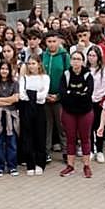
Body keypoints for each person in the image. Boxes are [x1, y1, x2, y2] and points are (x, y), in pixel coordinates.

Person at [59, 50, 95, 177]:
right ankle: (70, 166)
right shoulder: (66, 74)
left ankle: (86, 166)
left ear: (83, 61)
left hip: (85, 111)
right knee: (70, 139)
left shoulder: (87, 75)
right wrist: (78, 94)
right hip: (69, 112)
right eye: (74, 58)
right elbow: (62, 94)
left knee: (85, 139)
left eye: (79, 59)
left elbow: (88, 94)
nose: (76, 61)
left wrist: (71, 93)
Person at [0, 61, 21, 177]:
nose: (4, 71)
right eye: (2, 68)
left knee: (11, 141)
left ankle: (12, 166)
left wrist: (0, 100)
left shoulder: (15, 83)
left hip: (11, 115)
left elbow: (16, 99)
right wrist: (8, 99)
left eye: (6, 69)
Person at [41, 32, 70, 161]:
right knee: (46, 126)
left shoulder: (64, 56)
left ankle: (66, 151)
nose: (52, 44)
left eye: (54, 41)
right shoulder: (43, 56)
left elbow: (67, 78)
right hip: (45, 97)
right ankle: (46, 152)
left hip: (59, 98)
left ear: (58, 42)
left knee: (62, 125)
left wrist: (59, 95)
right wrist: (45, 94)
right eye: (49, 41)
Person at [18, 58, 50, 175]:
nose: (31, 66)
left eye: (33, 63)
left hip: (40, 109)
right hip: (27, 109)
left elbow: (43, 95)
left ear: (39, 64)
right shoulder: (24, 78)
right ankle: (30, 163)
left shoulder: (45, 78)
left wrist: (30, 94)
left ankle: (40, 163)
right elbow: (22, 95)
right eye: (29, 64)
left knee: (40, 135)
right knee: (28, 135)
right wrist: (35, 95)